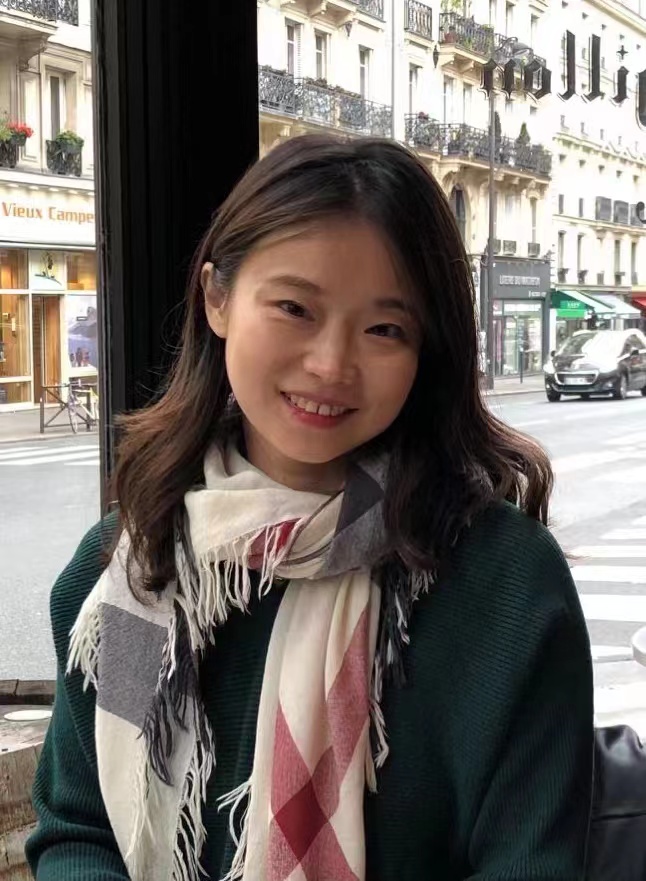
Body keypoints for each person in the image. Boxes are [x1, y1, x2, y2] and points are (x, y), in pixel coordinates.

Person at [27, 134, 594, 881]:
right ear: (218, 299)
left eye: (385, 329)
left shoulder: (502, 589)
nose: (331, 364)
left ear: (427, 348)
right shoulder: (143, 576)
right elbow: (83, 828)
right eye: (295, 307)